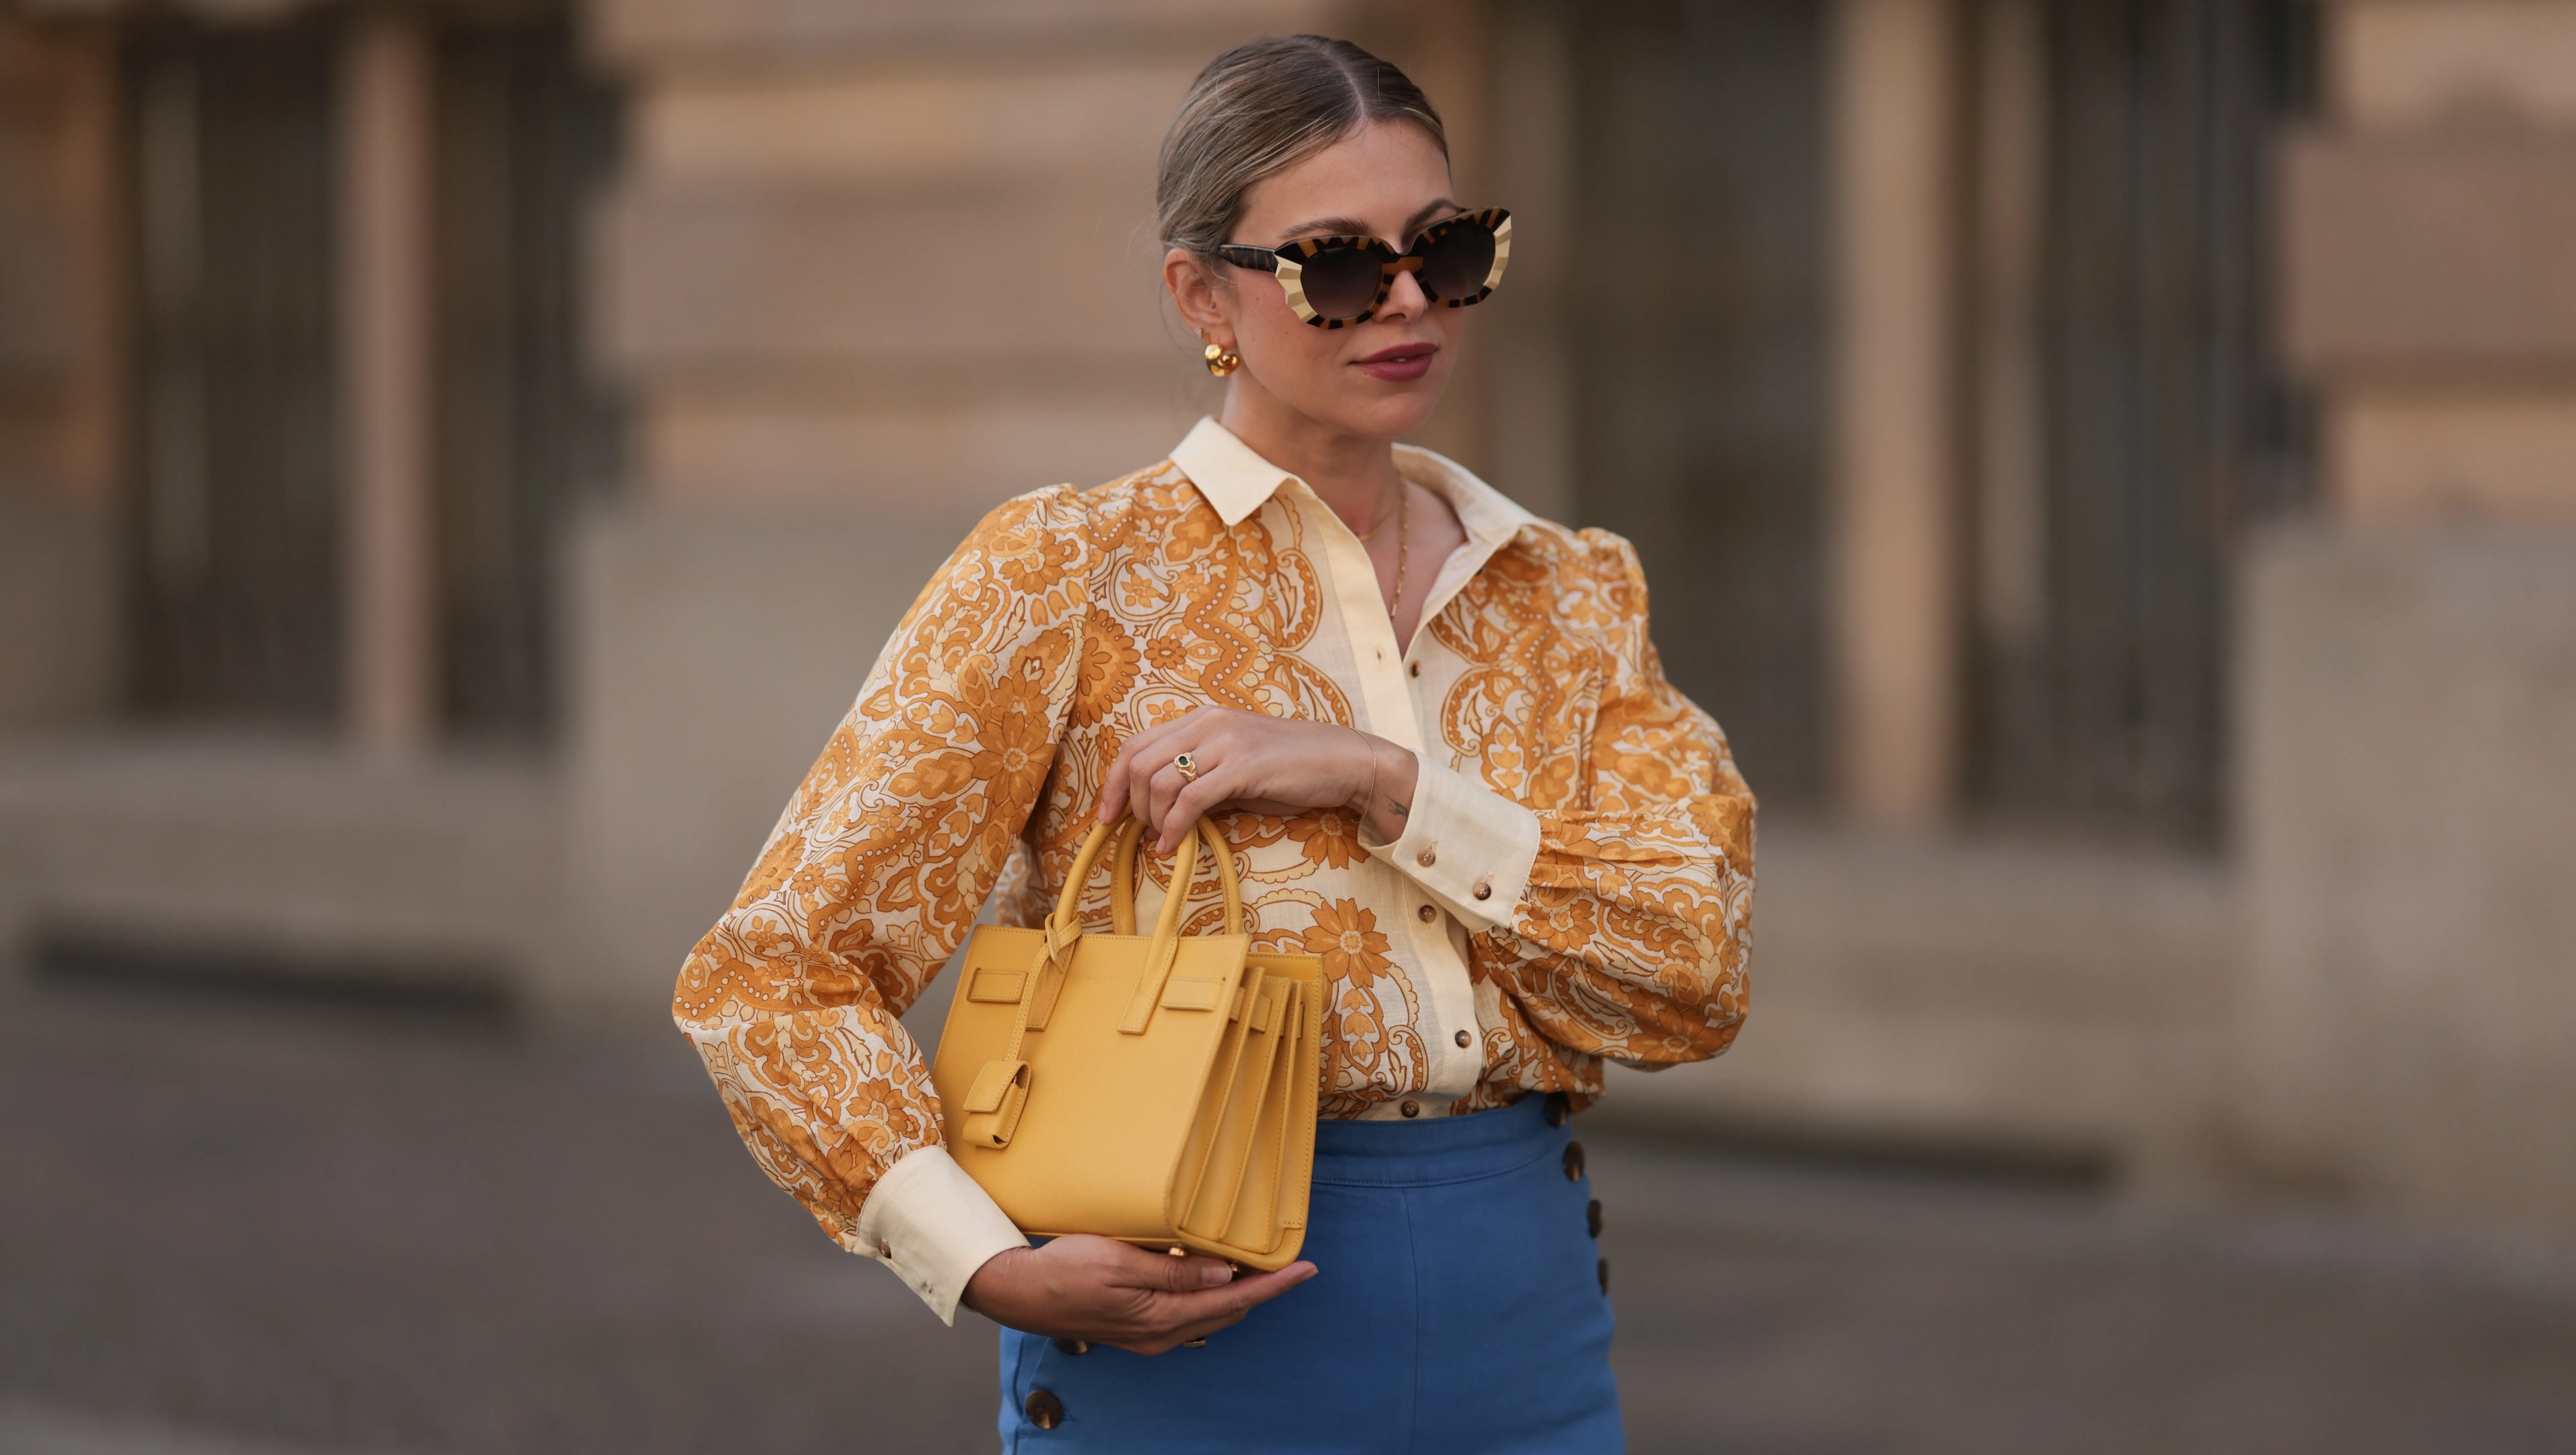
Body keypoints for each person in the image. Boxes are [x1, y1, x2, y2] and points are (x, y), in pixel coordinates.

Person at [672, 34, 1754, 1453]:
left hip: (1527, 1337)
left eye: (1446, 248)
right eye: (1341, 266)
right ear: (1202, 294)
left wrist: (1385, 784)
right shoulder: (1062, 576)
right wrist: (978, 1256)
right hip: (1183, 1341)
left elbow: (1694, 970)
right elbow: (776, 976)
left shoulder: (1570, 593)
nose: (1410, 300)